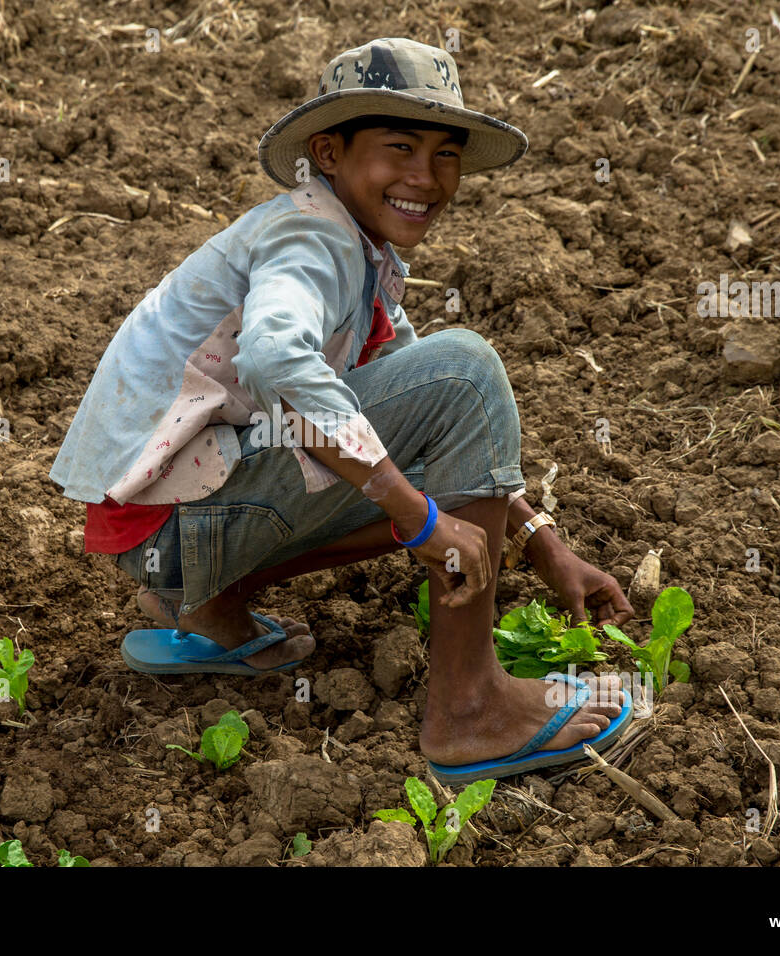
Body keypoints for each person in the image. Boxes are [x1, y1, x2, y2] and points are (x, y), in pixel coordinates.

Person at [49, 38, 635, 780]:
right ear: (328, 152)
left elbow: (413, 401)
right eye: (399, 147)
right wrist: (416, 515)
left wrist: (540, 539)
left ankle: (212, 613)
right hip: (176, 522)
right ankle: (471, 710)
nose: (426, 177)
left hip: (161, 526)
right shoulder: (310, 236)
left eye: (445, 154)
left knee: (416, 420)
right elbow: (277, 359)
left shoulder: (362, 256)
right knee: (467, 371)